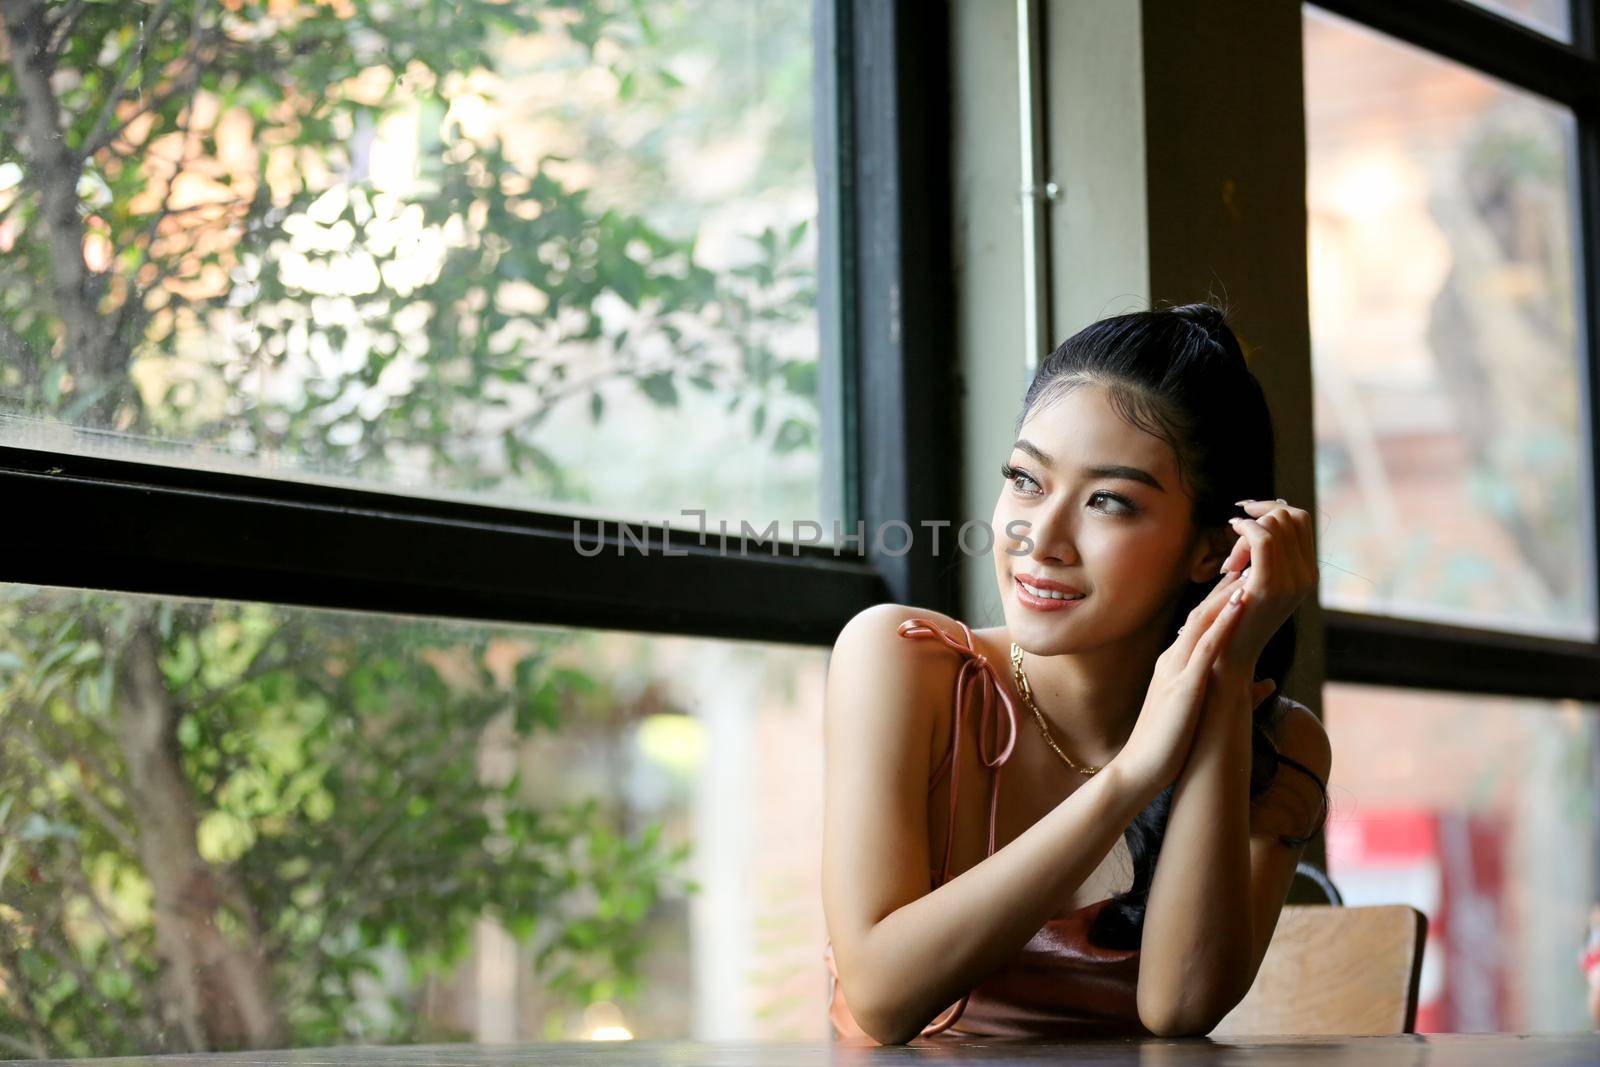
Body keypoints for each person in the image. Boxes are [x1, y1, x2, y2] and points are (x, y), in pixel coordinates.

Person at [820, 303, 1332, 1044]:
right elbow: (880, 996)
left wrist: (1226, 672)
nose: (1042, 537)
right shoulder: (903, 660)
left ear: (1209, 550)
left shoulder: (1278, 743)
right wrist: (1128, 779)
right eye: (1026, 480)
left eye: (1108, 501)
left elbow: (1180, 1003)